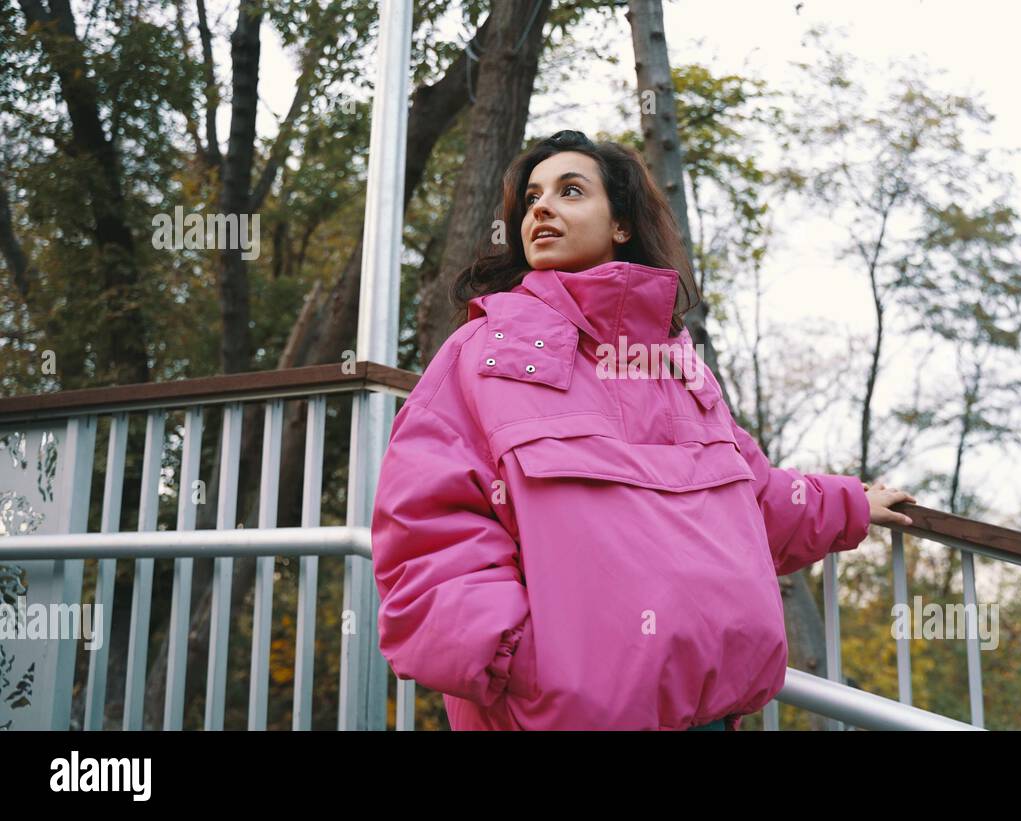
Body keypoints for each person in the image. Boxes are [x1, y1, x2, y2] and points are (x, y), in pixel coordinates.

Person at [369, 129, 917, 731]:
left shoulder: (676, 364)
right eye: (531, 198)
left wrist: (850, 504)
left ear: (621, 225)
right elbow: (427, 525)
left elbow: (750, 497)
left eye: (570, 191)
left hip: (710, 711)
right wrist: (513, 658)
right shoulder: (480, 354)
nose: (542, 208)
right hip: (559, 716)